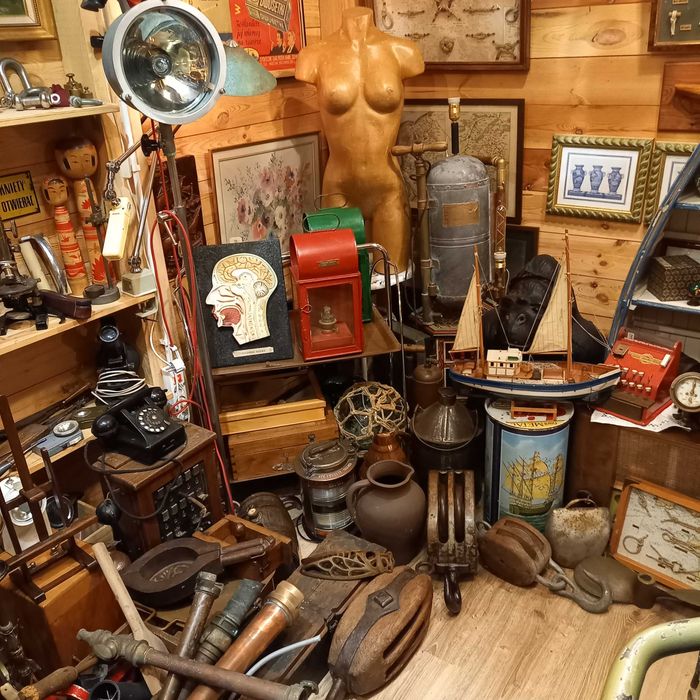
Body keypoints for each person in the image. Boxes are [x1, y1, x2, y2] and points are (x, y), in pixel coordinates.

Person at [295, 8, 424, 272]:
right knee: (341, 281)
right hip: (338, 187)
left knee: (391, 278)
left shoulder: (403, 51)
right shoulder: (313, 56)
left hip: (387, 187)